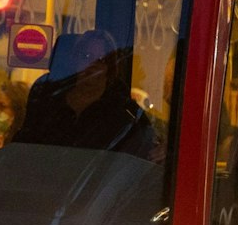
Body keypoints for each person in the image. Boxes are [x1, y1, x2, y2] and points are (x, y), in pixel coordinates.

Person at [10, 29, 156, 159]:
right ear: (74, 60)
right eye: (86, 56)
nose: (92, 65)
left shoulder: (121, 108)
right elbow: (25, 144)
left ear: (109, 68)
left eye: (101, 60)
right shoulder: (47, 97)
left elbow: (145, 146)